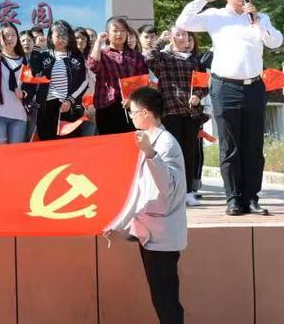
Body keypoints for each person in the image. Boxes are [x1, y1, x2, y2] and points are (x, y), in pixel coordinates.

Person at [176, 0, 283, 215]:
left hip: (254, 86)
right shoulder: (215, 16)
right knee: (230, 145)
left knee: (253, 146)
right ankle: (233, 198)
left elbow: (275, 42)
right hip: (225, 87)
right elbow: (184, 22)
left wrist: (258, 21)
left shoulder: (260, 18)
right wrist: (201, 0)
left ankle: (251, 198)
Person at [111, 86, 187, 324]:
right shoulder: (148, 139)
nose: (131, 117)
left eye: (132, 112)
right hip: (150, 232)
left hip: (162, 236)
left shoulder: (165, 144)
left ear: (145, 112)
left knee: (166, 300)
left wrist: (150, 153)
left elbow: (166, 187)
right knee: (161, 298)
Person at [145, 27, 209, 207]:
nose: (182, 38)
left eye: (185, 35)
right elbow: (149, 58)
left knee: (189, 152)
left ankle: (187, 191)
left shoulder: (196, 60)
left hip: (191, 112)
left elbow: (204, 85)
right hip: (170, 111)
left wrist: (198, 96)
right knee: (171, 152)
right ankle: (170, 191)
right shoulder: (164, 58)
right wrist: (161, 41)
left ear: (189, 38)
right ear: (172, 37)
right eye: (178, 34)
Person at [87, 16, 149, 135]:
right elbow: (93, 66)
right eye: (115, 31)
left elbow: (143, 81)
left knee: (133, 141)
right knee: (109, 143)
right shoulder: (102, 54)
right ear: (107, 33)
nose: (119, 34)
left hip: (132, 106)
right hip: (106, 105)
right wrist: (98, 42)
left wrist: (132, 99)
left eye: (122, 30)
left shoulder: (136, 56)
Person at [28, 20, 88, 141]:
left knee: (71, 144)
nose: (61, 39)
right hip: (47, 106)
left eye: (64, 35)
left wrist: (70, 100)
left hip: (69, 107)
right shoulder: (44, 55)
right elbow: (33, 71)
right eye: (58, 36)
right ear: (50, 37)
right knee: (47, 144)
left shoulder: (76, 56)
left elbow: (84, 81)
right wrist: (37, 47)